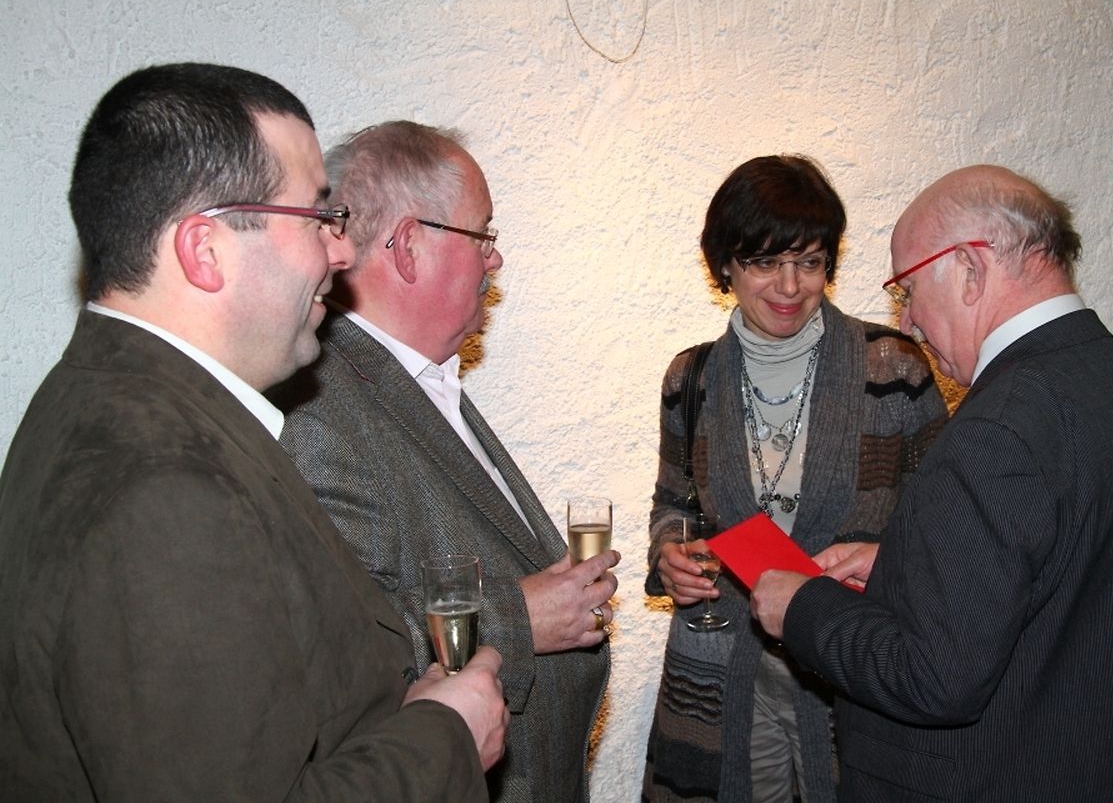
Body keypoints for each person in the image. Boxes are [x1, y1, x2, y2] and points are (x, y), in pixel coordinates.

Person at [0, 63, 508, 800]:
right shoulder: (165, 486)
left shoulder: (109, 399)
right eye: (316, 217)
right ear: (205, 251)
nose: (342, 251)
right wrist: (446, 735)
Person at [751, 164, 1113, 802]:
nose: (908, 322)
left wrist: (801, 607)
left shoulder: (997, 427)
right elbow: (1076, 579)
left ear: (969, 267)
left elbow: (934, 679)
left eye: (908, 290)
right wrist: (905, 567)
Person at [274, 120, 617, 803]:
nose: (495, 259)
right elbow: (333, 649)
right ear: (408, 246)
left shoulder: (416, 382)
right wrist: (519, 618)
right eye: (482, 235)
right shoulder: (320, 411)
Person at [642, 155, 948, 802]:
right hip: (721, 672)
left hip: (850, 666)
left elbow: (946, 529)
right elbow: (674, 503)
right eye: (764, 262)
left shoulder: (892, 368)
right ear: (725, 265)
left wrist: (882, 566)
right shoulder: (690, 378)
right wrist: (669, 553)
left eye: (808, 261)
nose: (789, 285)